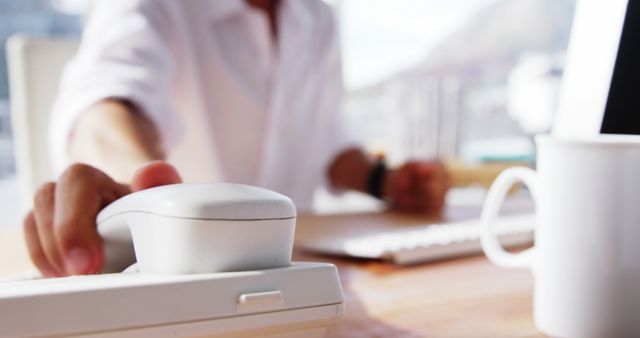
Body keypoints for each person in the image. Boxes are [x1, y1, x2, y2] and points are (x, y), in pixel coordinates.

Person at [24, 0, 450, 277]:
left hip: (296, 268)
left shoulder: (318, 17)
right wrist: (141, 190)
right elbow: (106, 104)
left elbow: (327, 138)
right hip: (189, 274)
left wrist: (384, 180)